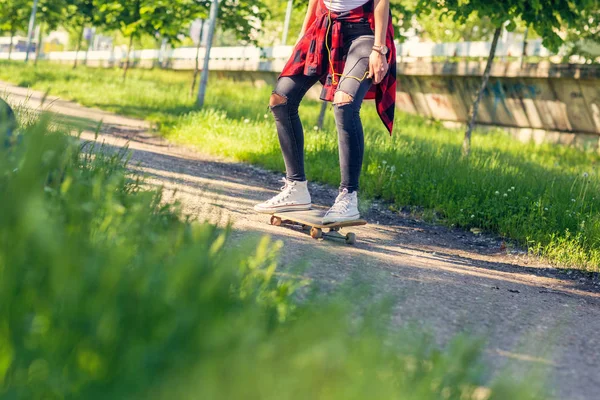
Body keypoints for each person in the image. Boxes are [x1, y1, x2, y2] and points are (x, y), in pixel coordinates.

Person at [254, 0, 396, 223]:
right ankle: (296, 188)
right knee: (281, 100)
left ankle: (348, 197)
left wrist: (379, 48)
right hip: (324, 25)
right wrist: (303, 34)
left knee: (345, 103)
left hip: (364, 33)